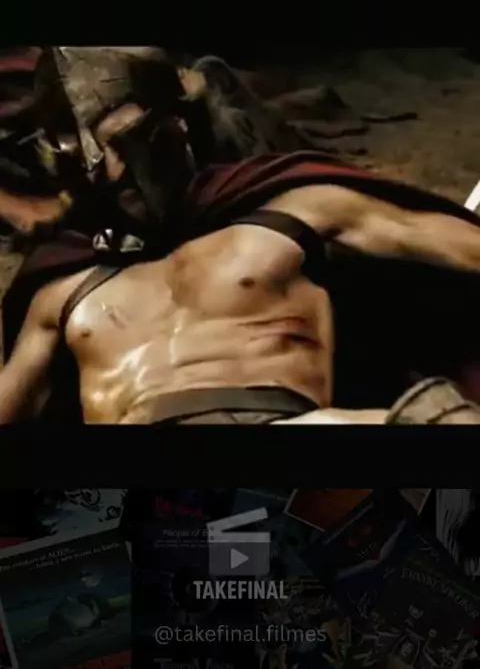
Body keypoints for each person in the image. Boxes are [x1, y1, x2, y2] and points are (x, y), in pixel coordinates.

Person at [2, 47, 480, 425]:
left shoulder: (293, 211)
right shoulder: (61, 287)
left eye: (130, 140)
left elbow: (460, 248)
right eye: (87, 155)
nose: (114, 170)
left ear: (179, 125)